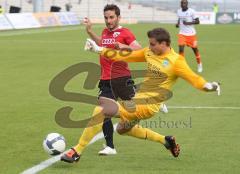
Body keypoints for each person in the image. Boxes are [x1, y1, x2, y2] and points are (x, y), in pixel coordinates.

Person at [60, 27, 220, 163]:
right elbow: (126, 55)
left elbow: (195, 79)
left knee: (102, 110)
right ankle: (166, 141)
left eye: (153, 44)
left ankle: (77, 151)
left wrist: (209, 86)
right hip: (137, 101)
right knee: (123, 129)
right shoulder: (149, 53)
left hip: (148, 106)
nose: (149, 47)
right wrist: (99, 49)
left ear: (164, 44)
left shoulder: (176, 61)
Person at [82, 4, 142, 155]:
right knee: (104, 111)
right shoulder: (105, 32)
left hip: (121, 78)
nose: (108, 21)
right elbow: (102, 43)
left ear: (118, 17)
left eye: (111, 17)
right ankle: (110, 146)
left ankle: (153, 100)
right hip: (106, 79)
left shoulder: (125, 32)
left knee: (136, 110)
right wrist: (90, 32)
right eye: (106, 18)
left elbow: (138, 49)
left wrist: (120, 45)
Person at [176, 0, 203, 73]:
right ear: (180, 4)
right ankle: (182, 66)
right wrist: (178, 23)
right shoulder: (178, 11)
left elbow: (198, 21)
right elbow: (179, 18)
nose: (183, 4)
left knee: (195, 50)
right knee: (181, 49)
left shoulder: (192, 11)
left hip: (191, 35)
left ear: (187, 4)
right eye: (182, 3)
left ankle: (199, 64)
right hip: (182, 34)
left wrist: (188, 23)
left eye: (184, 3)